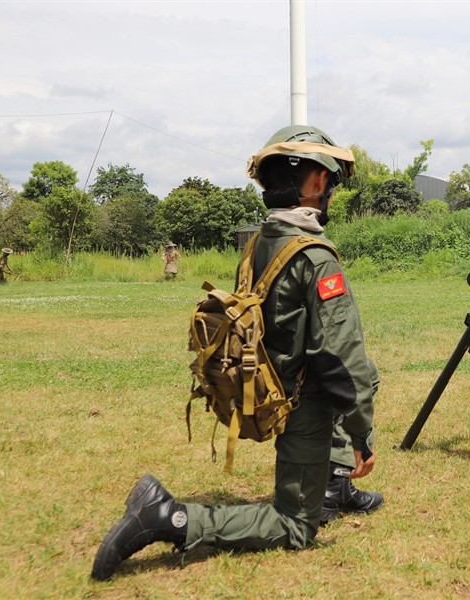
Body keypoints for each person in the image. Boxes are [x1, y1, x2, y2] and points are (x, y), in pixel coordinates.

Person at [92, 124, 382, 580]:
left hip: (270, 384)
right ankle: (169, 517)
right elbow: (339, 361)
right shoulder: (315, 257)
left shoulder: (259, 244)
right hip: (301, 402)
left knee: (370, 374)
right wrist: (362, 437)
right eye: (330, 181)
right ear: (318, 180)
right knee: (296, 525)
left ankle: (332, 482)